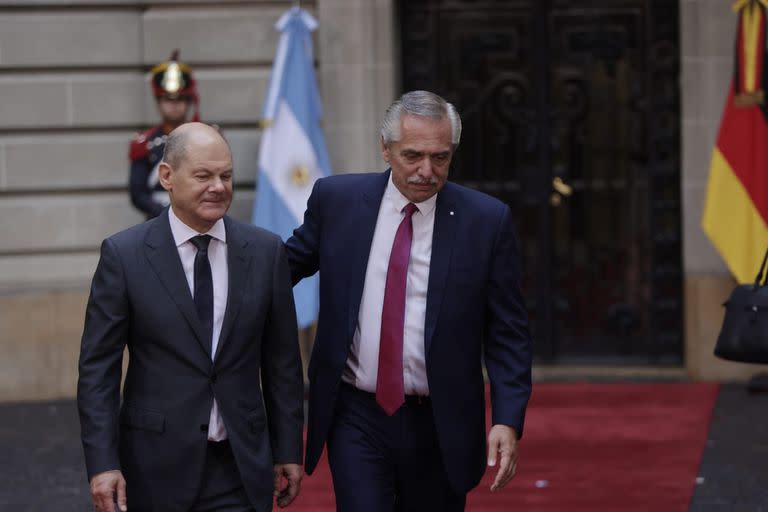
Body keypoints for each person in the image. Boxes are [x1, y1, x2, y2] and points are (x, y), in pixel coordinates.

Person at [285, 90, 533, 510]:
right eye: (412, 155)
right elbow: (280, 269)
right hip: (356, 413)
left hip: (441, 420)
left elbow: (507, 331)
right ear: (385, 149)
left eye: (440, 157)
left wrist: (508, 418)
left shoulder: (486, 222)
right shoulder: (337, 202)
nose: (426, 170)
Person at [78, 122, 304, 512]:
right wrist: (103, 464)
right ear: (167, 176)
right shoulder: (125, 256)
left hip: (241, 467)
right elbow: (99, 370)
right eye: (203, 175)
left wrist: (287, 448)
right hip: (154, 469)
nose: (218, 186)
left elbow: (282, 362)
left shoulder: (266, 252)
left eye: (226, 175)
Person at [129, 50, 200, 218]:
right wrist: (168, 215)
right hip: (158, 220)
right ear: (158, 102)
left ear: (189, 102)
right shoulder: (144, 143)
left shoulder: (206, 139)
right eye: (168, 100)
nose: (174, 105)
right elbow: (137, 193)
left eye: (180, 99)